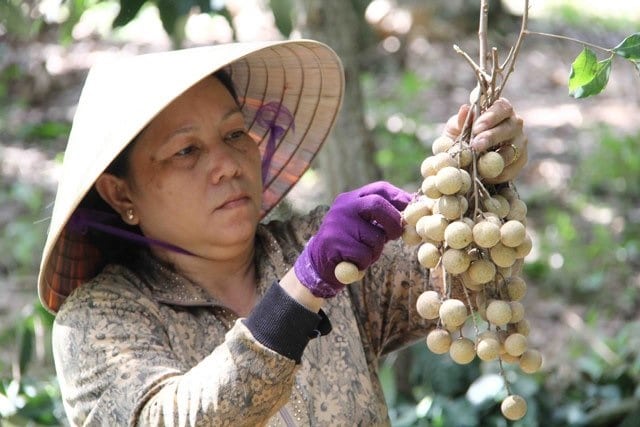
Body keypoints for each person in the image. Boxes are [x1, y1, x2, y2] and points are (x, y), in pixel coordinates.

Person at [38, 39, 528, 426]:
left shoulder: (316, 247)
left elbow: (466, 281)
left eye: (234, 135)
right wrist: (302, 290)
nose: (227, 165)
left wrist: (479, 186)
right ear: (122, 195)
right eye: (186, 151)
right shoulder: (97, 319)